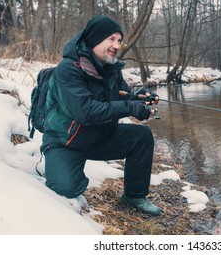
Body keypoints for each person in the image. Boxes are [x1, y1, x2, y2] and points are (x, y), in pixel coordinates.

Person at [40, 15, 161, 216]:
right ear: (95, 39)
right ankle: (64, 168)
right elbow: (85, 111)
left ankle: (134, 195)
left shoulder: (111, 68)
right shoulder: (68, 70)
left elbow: (123, 95)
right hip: (66, 142)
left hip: (100, 136)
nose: (116, 45)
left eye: (119, 40)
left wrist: (140, 98)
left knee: (142, 136)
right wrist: (130, 107)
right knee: (66, 190)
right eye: (111, 39)